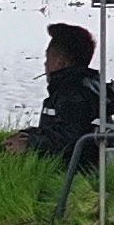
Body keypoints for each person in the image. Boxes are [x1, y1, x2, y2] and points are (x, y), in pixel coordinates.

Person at [24, 22, 105, 164]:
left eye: (47, 57)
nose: (45, 64)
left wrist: (29, 143)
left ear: (60, 62)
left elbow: (70, 137)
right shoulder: (91, 85)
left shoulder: (73, 93)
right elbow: (61, 129)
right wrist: (29, 134)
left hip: (75, 169)